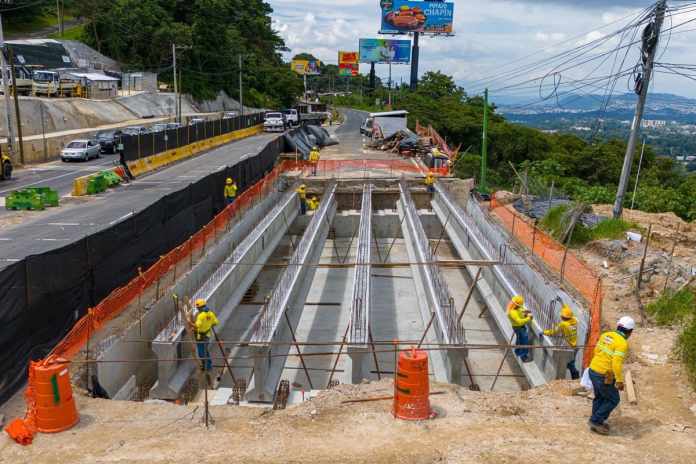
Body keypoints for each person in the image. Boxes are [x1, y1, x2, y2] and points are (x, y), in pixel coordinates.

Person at [587, 316, 634, 435]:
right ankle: (595, 421)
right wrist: (619, 380)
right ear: (630, 332)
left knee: (600, 397)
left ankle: (597, 420)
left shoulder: (606, 335)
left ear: (618, 326)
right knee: (613, 399)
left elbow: (596, 351)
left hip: (593, 370)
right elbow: (616, 363)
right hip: (603, 374)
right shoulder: (622, 343)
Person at [543, 304, 580, 379]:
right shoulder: (575, 320)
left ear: (563, 317)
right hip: (575, 344)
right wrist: (563, 305)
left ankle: (575, 378)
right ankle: (575, 377)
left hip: (568, 345)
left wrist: (544, 332)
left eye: (561, 315)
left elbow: (554, 332)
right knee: (571, 362)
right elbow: (568, 311)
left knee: (568, 363)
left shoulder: (563, 324)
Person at [193, 299, 219, 371]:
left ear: (199, 307)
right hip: (207, 335)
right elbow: (216, 322)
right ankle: (208, 365)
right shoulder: (210, 313)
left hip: (201, 337)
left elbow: (196, 326)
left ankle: (206, 366)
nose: (197, 309)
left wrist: (189, 323)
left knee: (201, 353)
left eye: (197, 308)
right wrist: (209, 325)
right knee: (205, 350)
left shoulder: (201, 316)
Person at [507, 295, 533, 362]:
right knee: (524, 341)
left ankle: (517, 351)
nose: (520, 306)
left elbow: (520, 310)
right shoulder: (512, 312)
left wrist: (525, 312)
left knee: (519, 340)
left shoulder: (515, 307)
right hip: (518, 327)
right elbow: (519, 322)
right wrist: (528, 318)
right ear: (517, 305)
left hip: (520, 327)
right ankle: (523, 357)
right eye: (519, 305)